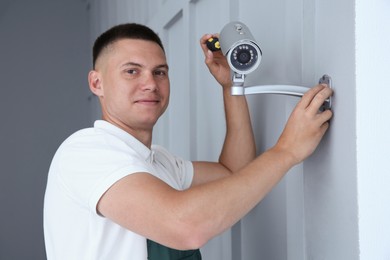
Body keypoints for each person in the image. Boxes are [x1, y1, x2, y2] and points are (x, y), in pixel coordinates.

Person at [43, 23, 333, 260]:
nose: (151, 84)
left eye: (160, 72)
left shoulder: (158, 162)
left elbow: (235, 171)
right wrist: (286, 152)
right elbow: (185, 227)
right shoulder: (85, 151)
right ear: (97, 83)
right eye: (132, 71)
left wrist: (232, 87)